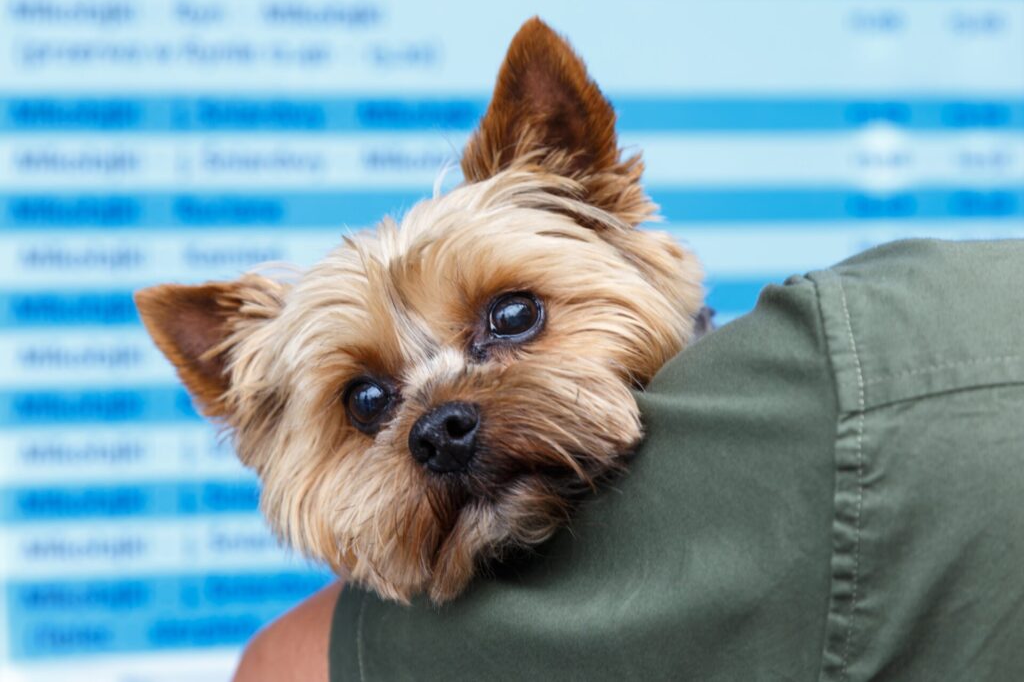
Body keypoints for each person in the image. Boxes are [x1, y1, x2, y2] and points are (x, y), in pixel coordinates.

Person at [233, 239, 1024, 681]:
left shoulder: (814, 421)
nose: (439, 421)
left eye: (512, 319)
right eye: (369, 403)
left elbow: (276, 668)